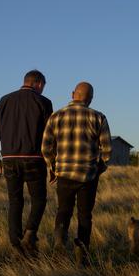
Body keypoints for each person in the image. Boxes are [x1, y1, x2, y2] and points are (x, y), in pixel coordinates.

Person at [41, 82, 112, 266]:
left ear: (73, 94)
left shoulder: (56, 116)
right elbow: (107, 150)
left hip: (64, 174)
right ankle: (82, 256)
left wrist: (52, 167)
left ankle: (59, 244)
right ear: (91, 98)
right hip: (88, 176)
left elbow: (46, 147)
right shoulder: (99, 117)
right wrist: (99, 168)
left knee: (63, 211)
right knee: (85, 215)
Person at [0, 70, 53, 257]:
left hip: (8, 160)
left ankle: (16, 244)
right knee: (39, 200)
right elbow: (50, 136)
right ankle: (30, 234)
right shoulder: (44, 102)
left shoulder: (5, 100)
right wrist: (52, 163)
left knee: (15, 202)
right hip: (34, 159)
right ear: (39, 83)